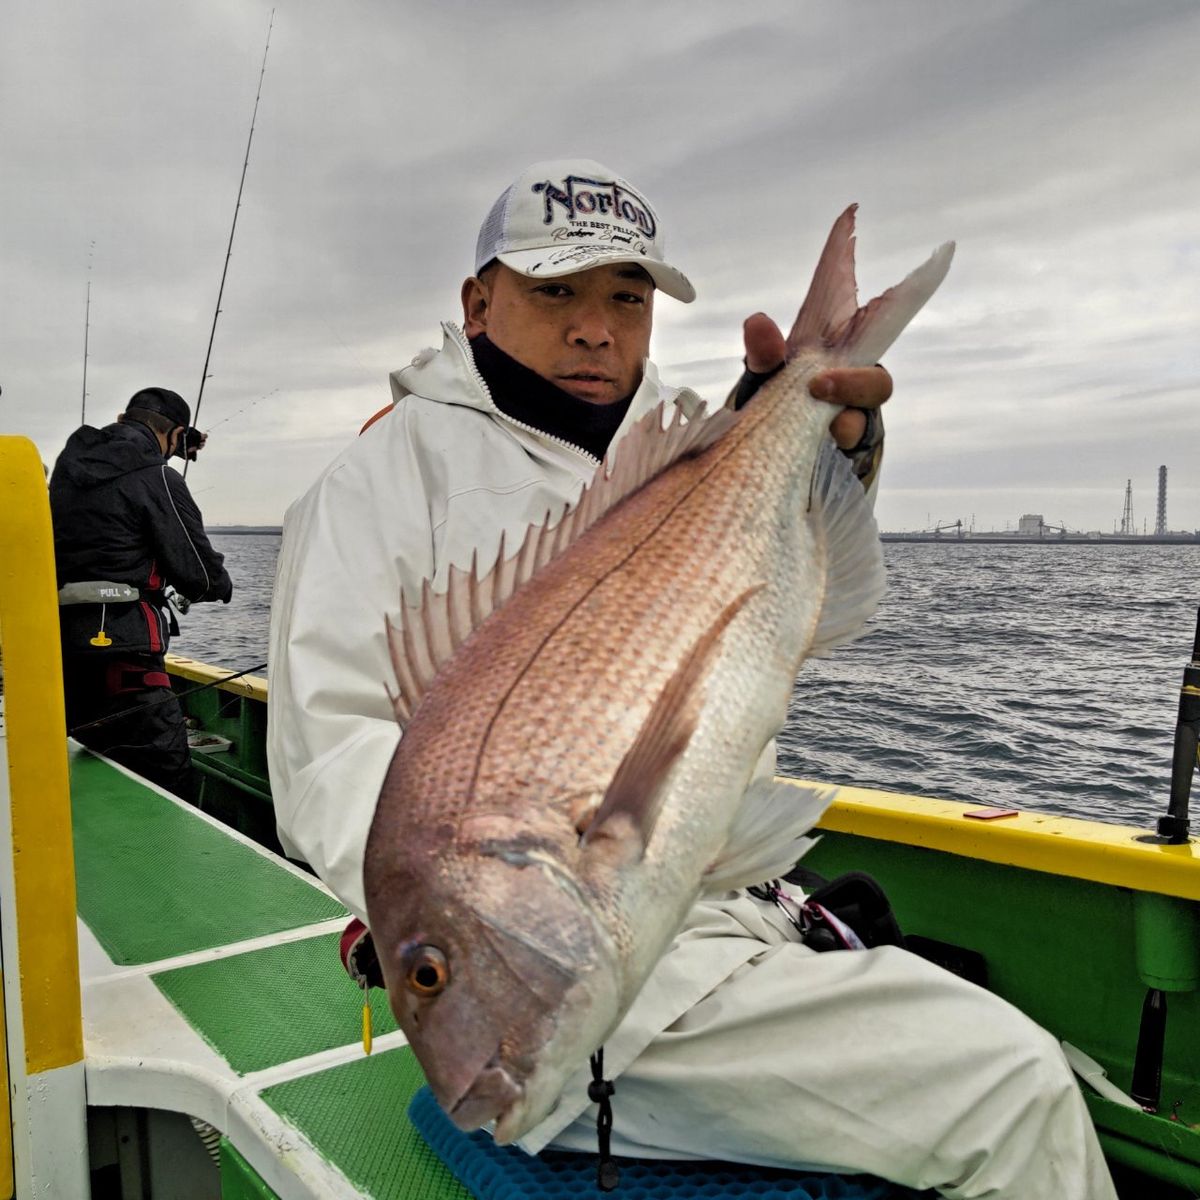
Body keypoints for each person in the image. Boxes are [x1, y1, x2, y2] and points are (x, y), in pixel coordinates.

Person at [267, 160, 1116, 1199]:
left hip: (711, 907)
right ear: (476, 302)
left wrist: (840, 443)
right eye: (555, 291)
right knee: (1013, 1086)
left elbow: (788, 580)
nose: (596, 327)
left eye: (627, 297)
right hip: (568, 970)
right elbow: (331, 759)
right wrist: (473, 912)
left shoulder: (692, 435)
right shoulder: (378, 481)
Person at [50, 387, 233, 798]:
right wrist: (222, 585)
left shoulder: (69, 466)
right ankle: (162, 860)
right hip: (126, 659)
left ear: (121, 419)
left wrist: (175, 441)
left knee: (89, 774)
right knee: (164, 778)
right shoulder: (158, 477)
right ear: (176, 434)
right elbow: (200, 577)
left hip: (60, 653)